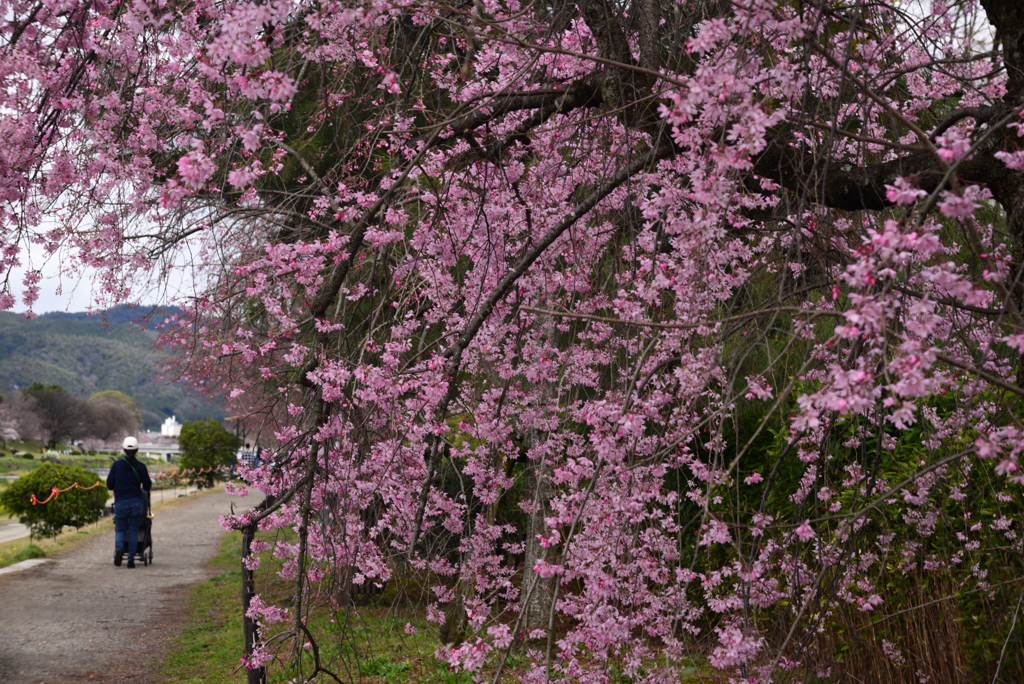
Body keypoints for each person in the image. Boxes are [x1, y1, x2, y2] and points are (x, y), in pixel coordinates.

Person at [106, 436, 152, 568]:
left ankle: (120, 548)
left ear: (123, 450)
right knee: (133, 530)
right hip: (136, 503)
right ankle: (131, 560)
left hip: (120, 502)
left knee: (120, 530)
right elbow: (147, 486)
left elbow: (109, 485)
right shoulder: (141, 467)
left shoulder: (116, 466)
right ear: (137, 450)